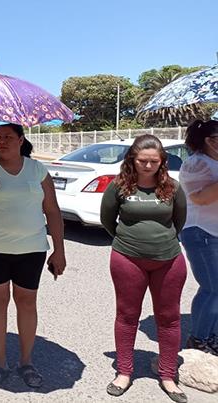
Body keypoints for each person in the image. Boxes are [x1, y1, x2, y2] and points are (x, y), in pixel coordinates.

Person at [0, 123, 66, 389]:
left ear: (21, 140)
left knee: (26, 302)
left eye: (8, 137)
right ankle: (0, 361)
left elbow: (53, 211)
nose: (2, 141)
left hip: (31, 249)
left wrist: (59, 250)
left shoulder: (37, 170)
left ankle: (26, 361)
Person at [100, 134, 188, 402]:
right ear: (132, 160)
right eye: (142, 161)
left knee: (169, 318)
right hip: (128, 258)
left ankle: (167, 376)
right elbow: (107, 219)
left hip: (169, 259)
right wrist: (129, 240)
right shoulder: (119, 186)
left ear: (162, 162)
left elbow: (179, 220)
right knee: (127, 315)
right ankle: (124, 372)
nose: (148, 166)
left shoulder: (172, 187)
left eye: (154, 161)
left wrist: (160, 242)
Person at [180, 120, 218, 356]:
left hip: (214, 230)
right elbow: (201, 198)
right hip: (201, 232)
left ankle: (212, 336)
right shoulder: (197, 163)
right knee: (212, 288)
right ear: (209, 140)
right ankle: (198, 339)